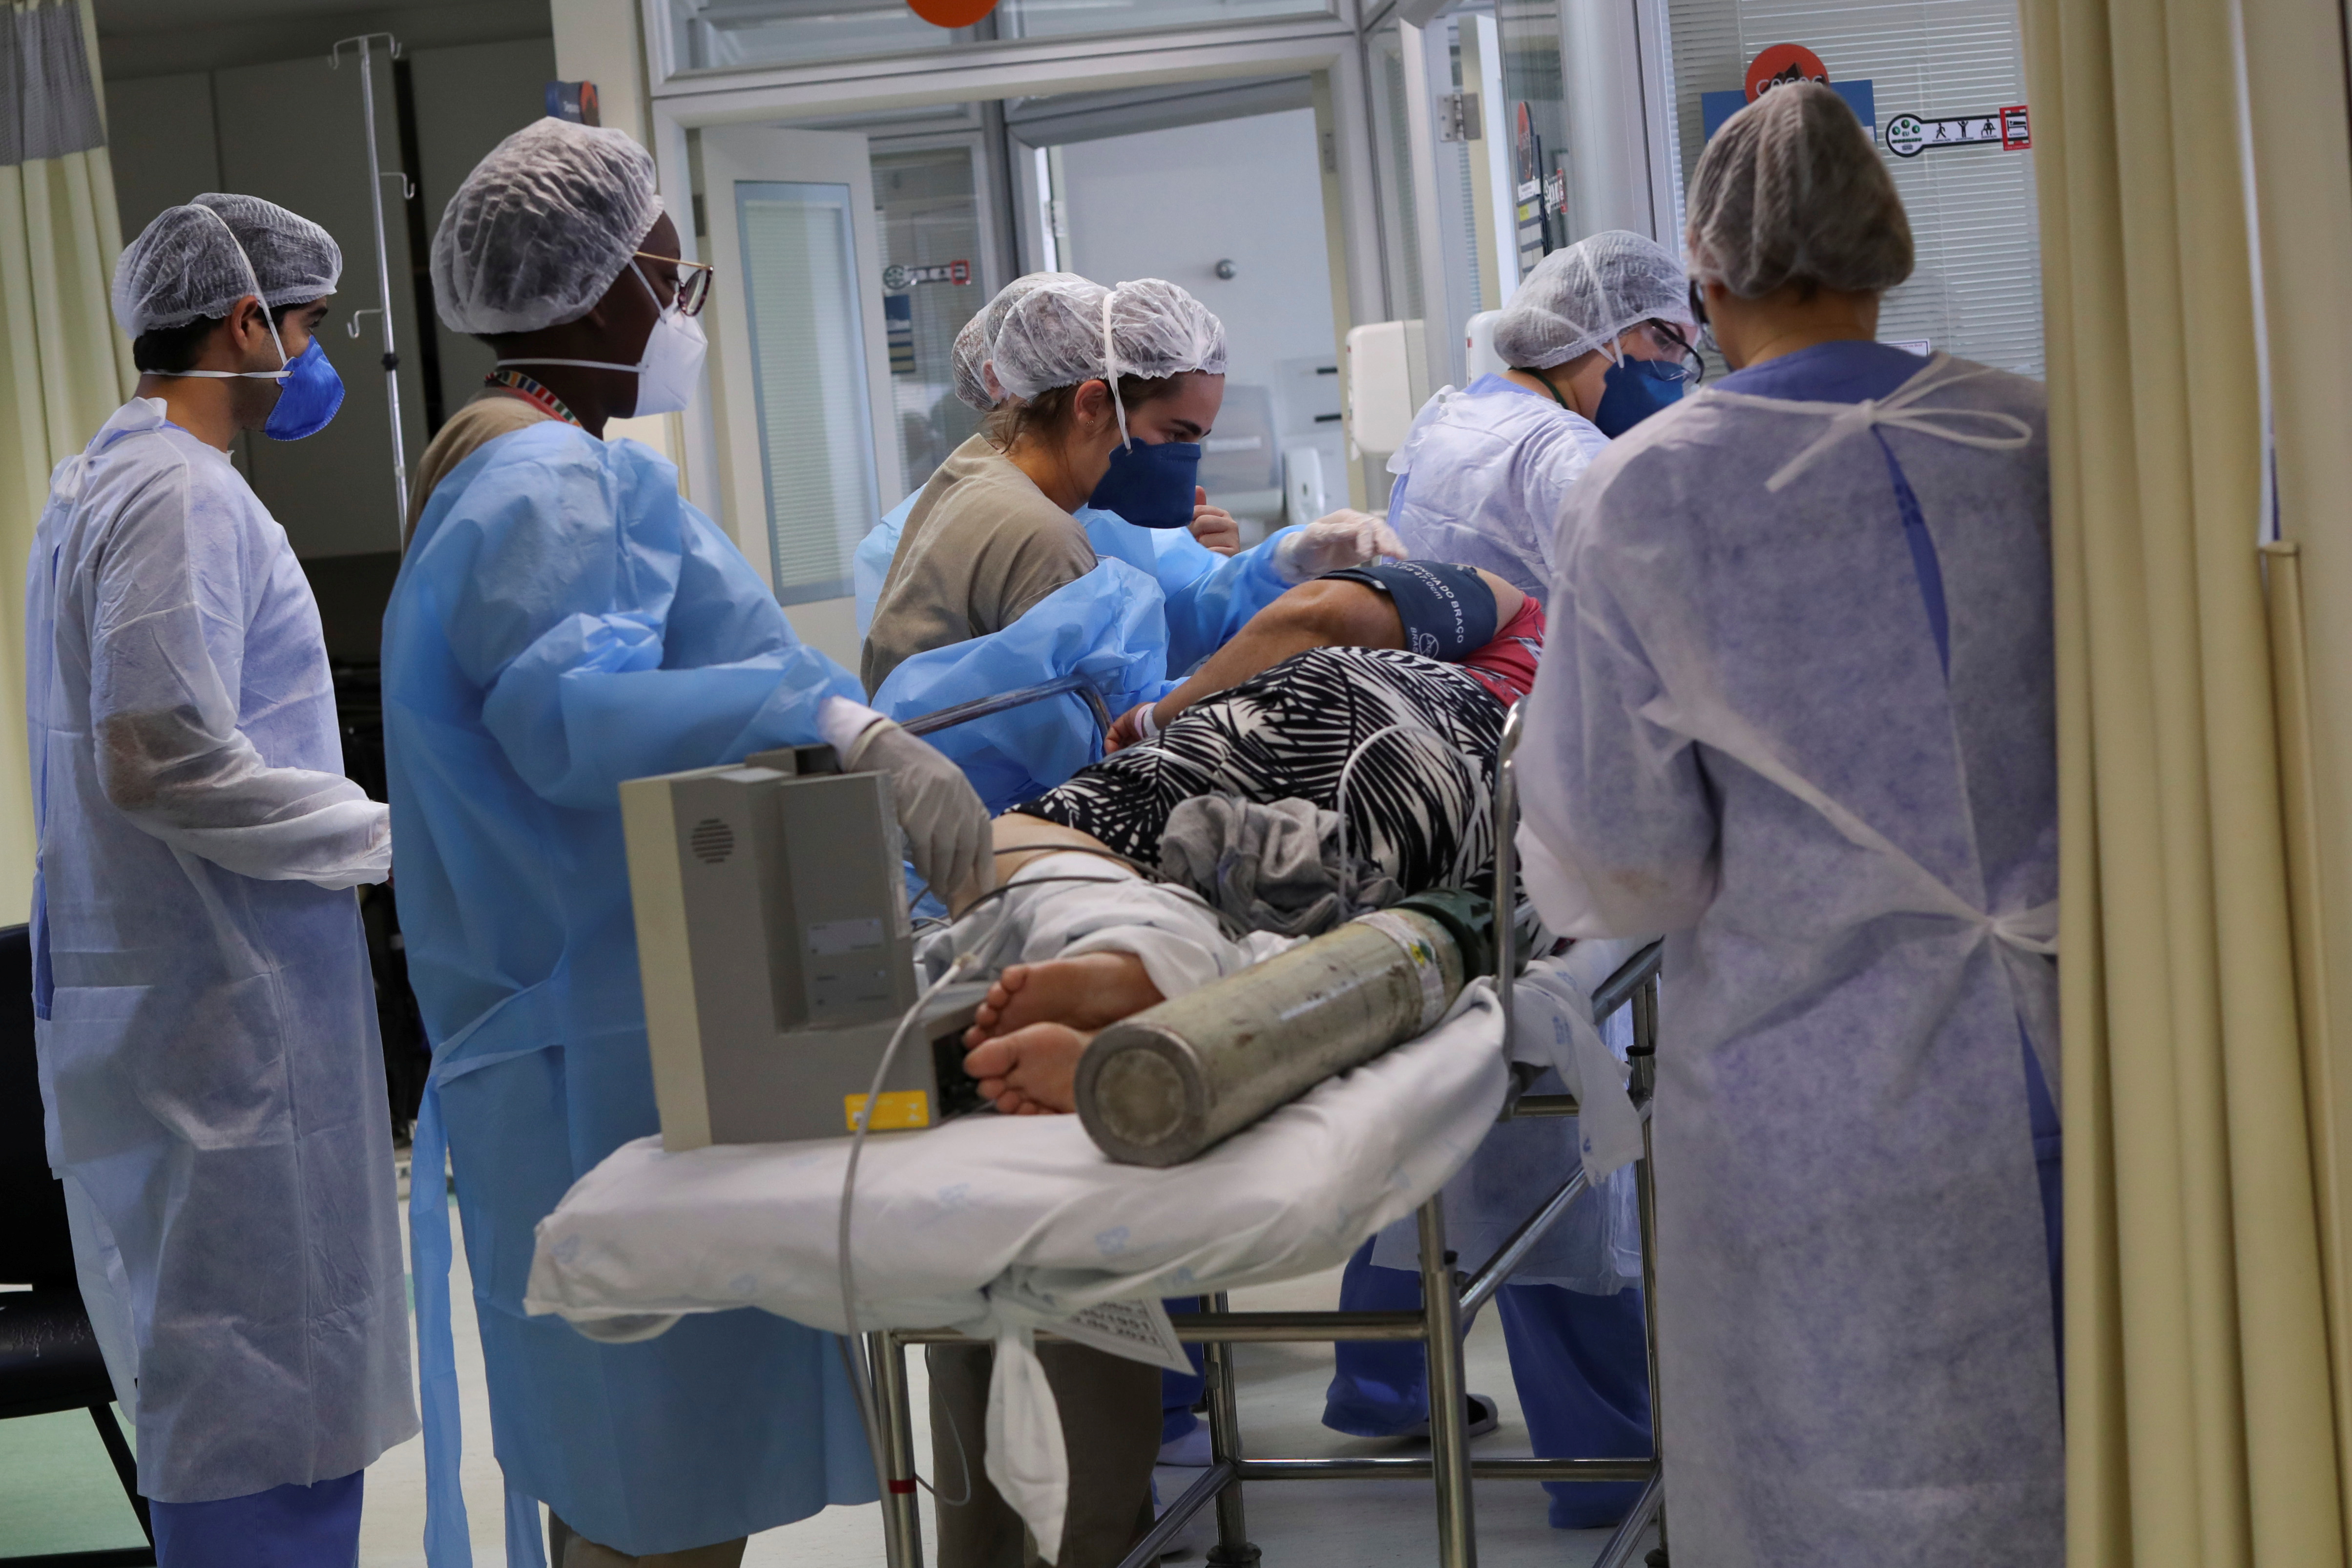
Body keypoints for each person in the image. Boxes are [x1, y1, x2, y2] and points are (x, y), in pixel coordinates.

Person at [385, 117, 993, 1568]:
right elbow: (569, 718)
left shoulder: (515, 471)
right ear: (595, 296)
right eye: (673, 279)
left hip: (576, 1046)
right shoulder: (548, 486)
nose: (683, 313)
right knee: (655, 1483)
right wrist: (824, 718)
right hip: (611, 1057)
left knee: (625, 1474)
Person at [1516, 82, 2060, 1565]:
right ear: (1884, 243)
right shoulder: (2032, 440)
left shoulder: (1649, 495)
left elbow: (1621, 859)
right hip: (2070, 1073)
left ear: (1703, 275)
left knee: (1832, 1489)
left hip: (1807, 1107)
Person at [26, 193, 414, 1565]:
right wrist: (380, 833)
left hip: (183, 1004)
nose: (312, 357)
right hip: (228, 1027)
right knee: (258, 1389)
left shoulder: (102, 483)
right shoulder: (181, 493)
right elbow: (157, 754)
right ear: (246, 322)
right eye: (307, 326)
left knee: (222, 1377)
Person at [861, 276, 1404, 740]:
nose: (1186, 457)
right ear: (1092, 404)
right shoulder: (1041, 532)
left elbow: (1159, 631)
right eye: (1176, 434)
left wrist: (1283, 562)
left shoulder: (983, 473)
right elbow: (1109, 732)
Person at [1386, 231, 1697, 603]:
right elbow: (1665, 612)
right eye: (1668, 343)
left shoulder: (1447, 416)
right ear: (1601, 329)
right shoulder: (1566, 453)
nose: (1677, 372)